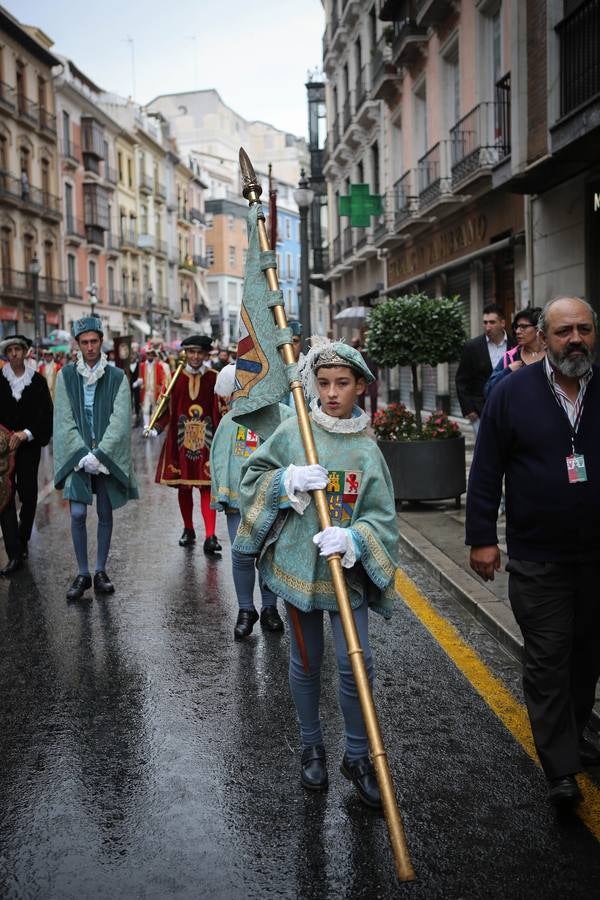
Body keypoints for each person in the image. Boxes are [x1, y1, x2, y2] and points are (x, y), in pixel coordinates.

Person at [235, 339, 400, 808]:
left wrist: (355, 539)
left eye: (342, 383)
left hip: (347, 575)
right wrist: (285, 481)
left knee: (355, 663)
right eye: (323, 383)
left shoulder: (369, 450)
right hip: (298, 572)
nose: (331, 393)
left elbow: (382, 519)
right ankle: (311, 746)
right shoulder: (293, 431)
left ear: (360, 387)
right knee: (306, 663)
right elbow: (252, 479)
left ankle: (356, 753)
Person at [466, 296, 600, 808]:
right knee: (548, 659)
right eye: (564, 330)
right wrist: (482, 537)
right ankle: (561, 770)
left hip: (595, 560)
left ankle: (573, 733)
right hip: (537, 557)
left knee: (586, 657)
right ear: (543, 337)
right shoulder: (511, 392)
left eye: (584, 329)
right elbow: (486, 469)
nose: (575, 340)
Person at [53, 316, 139, 601]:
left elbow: (120, 420)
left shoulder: (117, 377)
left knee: (104, 511)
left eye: (94, 341)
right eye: (84, 342)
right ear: (77, 345)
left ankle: (100, 570)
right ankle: (82, 572)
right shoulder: (65, 376)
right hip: (78, 456)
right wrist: (81, 454)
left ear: (102, 342)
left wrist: (100, 454)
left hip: (105, 455)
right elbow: (64, 420)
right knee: (77, 513)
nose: (90, 347)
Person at [210, 363, 290, 639]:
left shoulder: (283, 416)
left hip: (273, 499)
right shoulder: (230, 420)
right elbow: (219, 457)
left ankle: (270, 608)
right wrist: (222, 492)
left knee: (270, 553)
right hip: (238, 502)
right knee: (241, 553)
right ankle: (246, 609)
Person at [148, 334, 222, 553]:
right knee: (184, 486)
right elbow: (164, 407)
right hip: (180, 441)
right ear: (185, 353)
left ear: (206, 354)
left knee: (207, 486)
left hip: (207, 441)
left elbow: (220, 410)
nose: (195, 356)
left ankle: (210, 535)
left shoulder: (214, 378)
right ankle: (188, 529)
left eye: (200, 352)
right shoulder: (174, 377)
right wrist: (157, 427)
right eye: (191, 352)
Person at [0, 334, 53, 574]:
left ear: (25, 352)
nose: (14, 354)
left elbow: (45, 416)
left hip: (29, 449)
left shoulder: (38, 382)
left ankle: (22, 541)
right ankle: (13, 553)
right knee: (5, 497)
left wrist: (26, 433)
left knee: (29, 495)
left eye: (17, 349)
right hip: (2, 452)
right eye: (9, 350)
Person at [455, 303, 516, 436]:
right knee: (485, 451)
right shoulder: (472, 347)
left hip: (509, 408)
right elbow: (461, 380)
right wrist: (468, 409)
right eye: (485, 322)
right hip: (480, 410)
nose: (488, 327)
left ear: (502, 323)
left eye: (492, 322)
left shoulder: (515, 344)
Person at [484, 306, 544, 398]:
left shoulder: (552, 355)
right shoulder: (510, 358)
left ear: (538, 328)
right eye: (517, 327)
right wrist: (507, 371)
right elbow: (489, 390)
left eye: (524, 326)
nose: (518, 331)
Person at [139, 346, 170, 428]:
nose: (150, 356)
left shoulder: (158, 366)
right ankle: (146, 426)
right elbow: (140, 377)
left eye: (151, 355)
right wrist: (140, 382)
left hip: (155, 391)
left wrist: (161, 387)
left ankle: (152, 426)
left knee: (154, 409)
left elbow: (162, 378)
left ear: (153, 356)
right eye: (148, 355)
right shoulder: (142, 366)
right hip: (146, 391)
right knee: (145, 409)